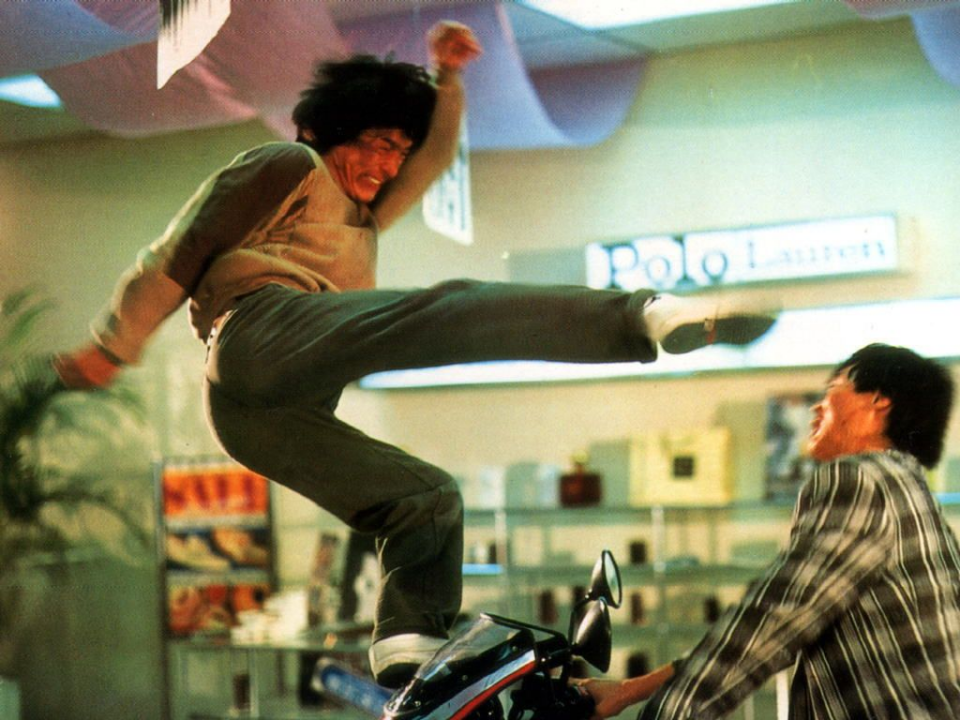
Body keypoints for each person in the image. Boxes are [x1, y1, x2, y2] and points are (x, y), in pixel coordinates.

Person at [53, 21, 777, 688]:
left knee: (424, 499)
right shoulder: (289, 164)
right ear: (328, 131)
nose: (384, 164)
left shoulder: (365, 214)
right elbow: (181, 248)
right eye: (372, 144)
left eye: (394, 150)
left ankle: (407, 642)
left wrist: (448, 81)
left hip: (264, 415)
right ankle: (644, 315)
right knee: (449, 308)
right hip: (258, 333)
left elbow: (431, 160)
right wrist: (113, 344)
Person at [579, 343, 960, 719]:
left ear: (879, 400)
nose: (817, 406)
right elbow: (787, 625)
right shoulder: (908, 488)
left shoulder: (860, 478)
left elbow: (778, 615)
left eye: (834, 388)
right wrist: (630, 690)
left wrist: (668, 713)